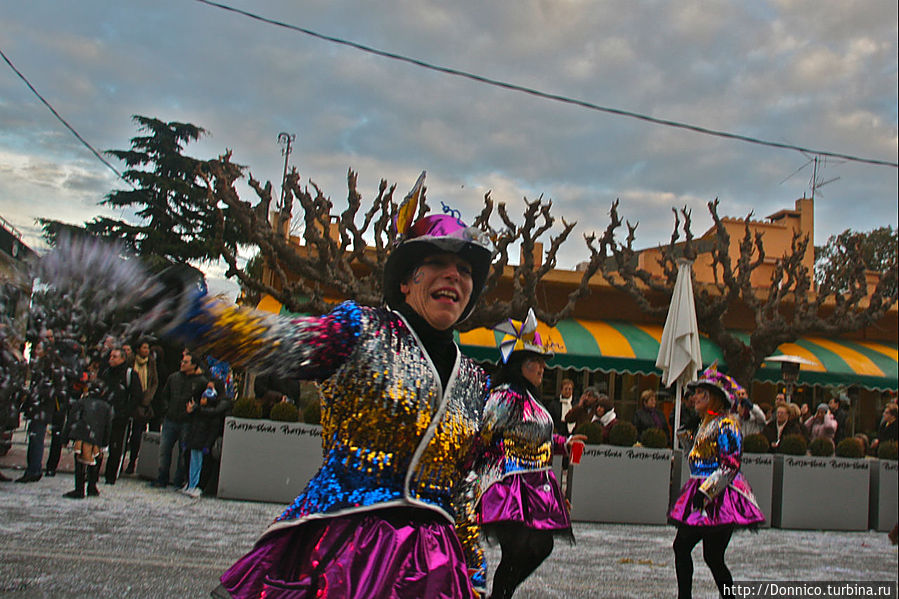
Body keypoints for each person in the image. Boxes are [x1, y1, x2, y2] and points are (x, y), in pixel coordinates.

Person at [198, 182, 496, 597]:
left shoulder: (475, 382)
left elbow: (462, 486)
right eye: (437, 263)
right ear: (407, 283)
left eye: (465, 271)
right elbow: (280, 342)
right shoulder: (362, 330)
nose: (454, 275)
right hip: (344, 549)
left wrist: (475, 575)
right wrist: (197, 317)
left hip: (435, 568)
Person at [476, 309, 584, 599]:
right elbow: (481, 437)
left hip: (535, 485)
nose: (541, 368)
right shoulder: (506, 396)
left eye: (541, 362)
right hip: (509, 484)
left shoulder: (530, 398)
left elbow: (542, 435)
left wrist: (567, 443)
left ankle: (500, 595)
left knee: (539, 547)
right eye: (535, 361)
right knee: (520, 549)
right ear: (519, 364)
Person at [669, 365, 765, 599]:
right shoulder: (705, 422)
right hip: (700, 489)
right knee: (697, 552)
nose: (695, 397)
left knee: (703, 553)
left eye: (703, 393)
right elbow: (697, 457)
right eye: (697, 392)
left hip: (719, 497)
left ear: (716, 398)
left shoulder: (726, 424)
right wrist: (686, 436)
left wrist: (707, 491)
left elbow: (731, 465)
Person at [151, 351, 208, 489]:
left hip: (187, 422)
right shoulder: (174, 377)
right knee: (164, 450)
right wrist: (166, 409)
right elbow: (165, 395)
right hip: (170, 419)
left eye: (186, 362)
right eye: (182, 361)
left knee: (183, 454)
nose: (182, 364)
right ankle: (161, 478)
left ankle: (178, 480)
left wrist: (193, 410)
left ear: (194, 365)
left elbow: (204, 402)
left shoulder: (201, 382)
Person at [17, 330, 66, 483]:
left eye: (39, 349)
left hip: (43, 407)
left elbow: (57, 387)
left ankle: (34, 469)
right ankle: (33, 468)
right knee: (35, 437)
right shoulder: (44, 364)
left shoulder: (50, 365)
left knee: (36, 438)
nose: (36, 352)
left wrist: (37, 392)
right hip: (38, 406)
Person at [62, 370, 114, 499]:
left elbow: (71, 420)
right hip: (96, 438)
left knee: (80, 462)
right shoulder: (106, 406)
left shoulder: (81, 403)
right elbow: (108, 426)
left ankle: (79, 489)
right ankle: (92, 486)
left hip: (82, 435)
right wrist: (105, 443)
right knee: (95, 462)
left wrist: (65, 437)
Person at [101, 347, 142, 484]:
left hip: (120, 417)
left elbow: (137, 396)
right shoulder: (106, 373)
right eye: (111, 356)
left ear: (123, 359)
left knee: (116, 447)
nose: (111, 359)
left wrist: (126, 412)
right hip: (105, 415)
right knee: (99, 445)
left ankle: (111, 475)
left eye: (115, 357)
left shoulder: (129, 374)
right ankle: (93, 473)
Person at [124, 339, 159, 474]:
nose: (146, 350)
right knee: (126, 431)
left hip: (144, 401)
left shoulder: (151, 363)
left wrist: (148, 397)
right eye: (144, 348)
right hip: (130, 399)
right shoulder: (130, 361)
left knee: (137, 434)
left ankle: (132, 461)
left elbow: (154, 382)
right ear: (138, 349)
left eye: (147, 348)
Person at [181, 382, 219, 498]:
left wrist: (207, 445)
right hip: (195, 442)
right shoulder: (198, 413)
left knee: (200, 466)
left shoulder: (211, 415)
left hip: (202, 444)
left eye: (204, 398)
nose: (202, 400)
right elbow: (191, 426)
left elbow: (212, 432)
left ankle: (198, 486)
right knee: (192, 464)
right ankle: (191, 484)